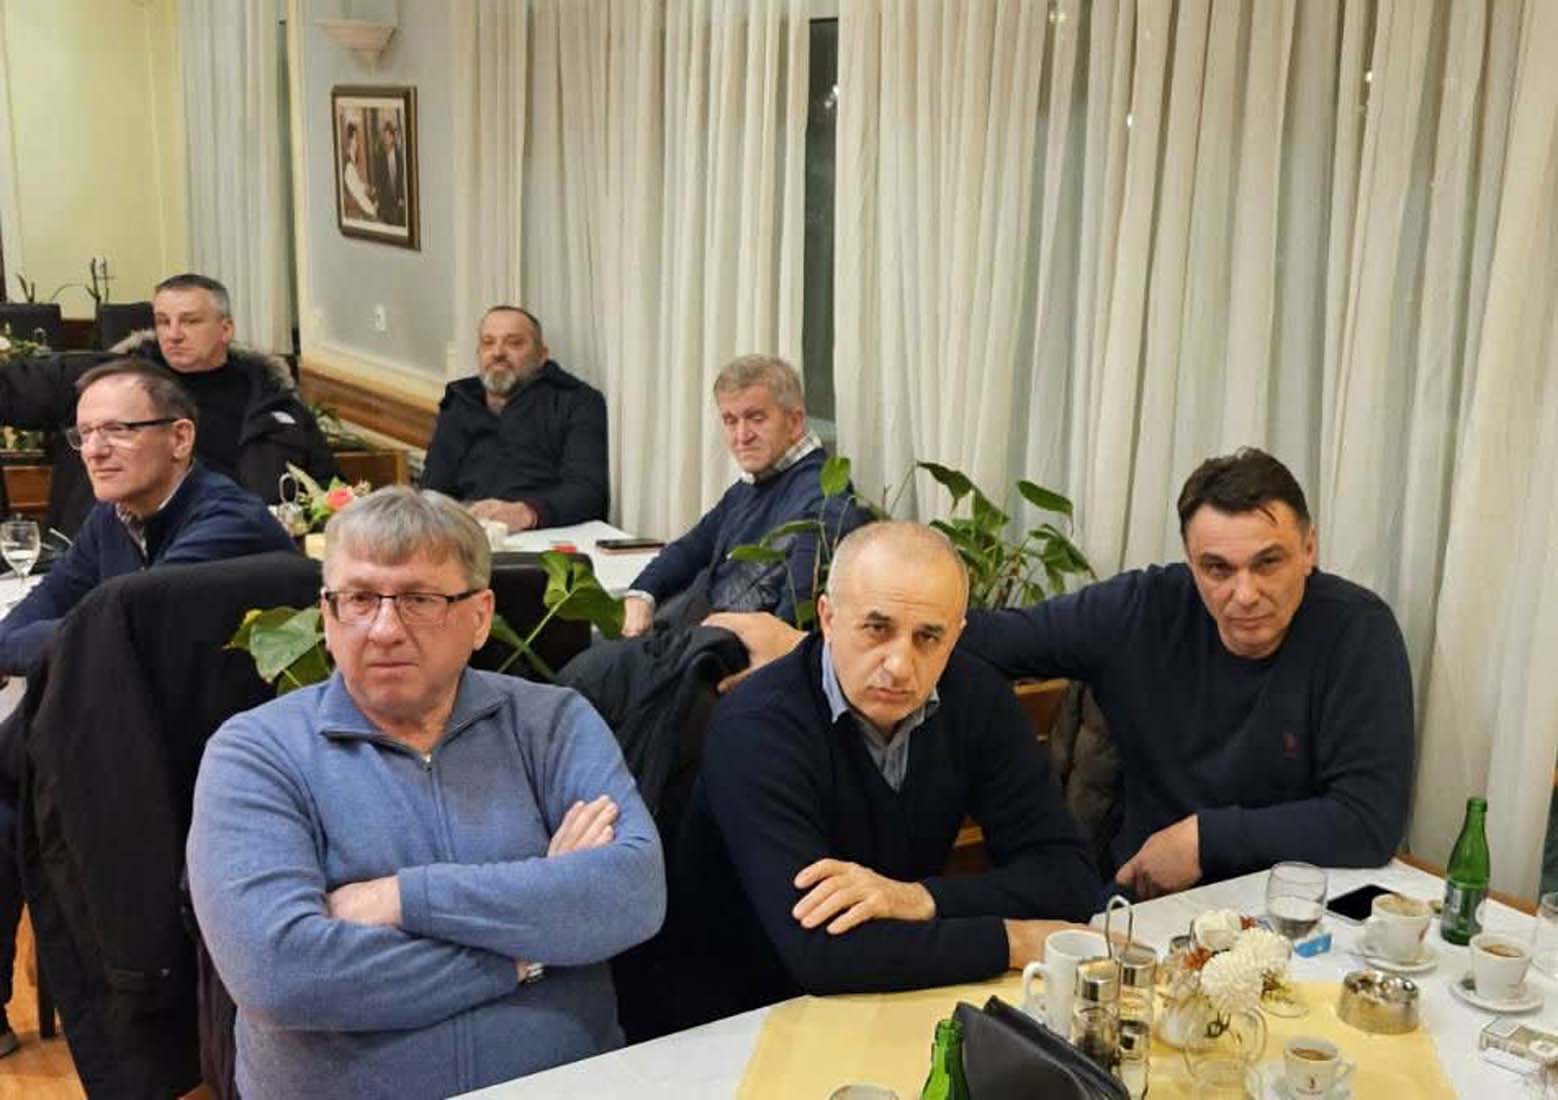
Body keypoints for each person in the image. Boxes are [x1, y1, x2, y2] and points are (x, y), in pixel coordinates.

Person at [711, 448, 1415, 900]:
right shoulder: (1143, 609)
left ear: (1309, 548)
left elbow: (1368, 820)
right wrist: (821, 643)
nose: (1244, 593)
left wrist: (1205, 837)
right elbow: (977, 636)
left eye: (1269, 562)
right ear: (1189, 560)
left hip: (1303, 903)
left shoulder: (1356, 631)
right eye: (1216, 568)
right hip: (1151, 907)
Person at [187, 487, 664, 1099]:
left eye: (418, 600)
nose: (384, 629)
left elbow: (631, 894)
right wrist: (527, 953)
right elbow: (280, 973)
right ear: (328, 616)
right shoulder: (256, 752)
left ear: (480, 616)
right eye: (359, 599)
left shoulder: (551, 723)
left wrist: (399, 898)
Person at [672, 522, 1098, 1024]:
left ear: (956, 636)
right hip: (732, 1018)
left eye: (928, 637)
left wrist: (919, 898)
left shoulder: (977, 698)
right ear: (828, 619)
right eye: (877, 629)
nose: (899, 665)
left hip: (896, 997)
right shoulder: (757, 727)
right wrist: (1014, 940)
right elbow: (822, 954)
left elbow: (1067, 879)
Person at [0, 358, 296, 1057]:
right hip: (124, 729)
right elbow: (39, 616)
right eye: (84, 435)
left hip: (203, 754)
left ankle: (128, 1022)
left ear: (180, 438)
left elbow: (105, 630)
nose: (95, 450)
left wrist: (41, 644)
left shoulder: (228, 521)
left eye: (119, 430)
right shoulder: (114, 518)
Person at [0, 272, 339, 535]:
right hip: (117, 554)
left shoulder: (274, 401)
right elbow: (11, 389)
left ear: (225, 329)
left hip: (237, 554)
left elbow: (328, 493)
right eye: (163, 321)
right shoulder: (106, 380)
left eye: (190, 321)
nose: (173, 334)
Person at [622, 354, 861, 634]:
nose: (742, 436)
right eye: (730, 421)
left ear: (795, 422)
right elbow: (692, 547)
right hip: (694, 637)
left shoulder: (824, 499)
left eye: (756, 418)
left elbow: (790, 627)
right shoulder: (753, 484)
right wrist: (642, 594)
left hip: (720, 651)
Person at [421, 307, 608, 532]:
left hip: (546, 534)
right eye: (488, 343)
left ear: (541, 356)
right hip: (469, 534)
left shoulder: (577, 402)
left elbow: (588, 492)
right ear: (478, 354)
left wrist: (528, 513)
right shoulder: (459, 401)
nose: (498, 352)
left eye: (514, 343)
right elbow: (433, 489)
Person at [371, 116, 406, 226]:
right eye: (384, 137)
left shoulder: (399, 156)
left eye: (388, 137)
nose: (386, 140)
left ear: (393, 137)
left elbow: (401, 177)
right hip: (385, 200)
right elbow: (377, 178)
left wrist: (401, 197)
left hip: (397, 198)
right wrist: (377, 198)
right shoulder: (380, 156)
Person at [341, 121, 377, 220]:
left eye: (356, 140)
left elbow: (357, 186)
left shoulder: (352, 166)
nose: (356, 144)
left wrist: (366, 187)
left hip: (363, 204)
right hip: (360, 210)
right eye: (354, 139)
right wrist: (366, 189)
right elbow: (356, 193)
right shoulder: (349, 168)